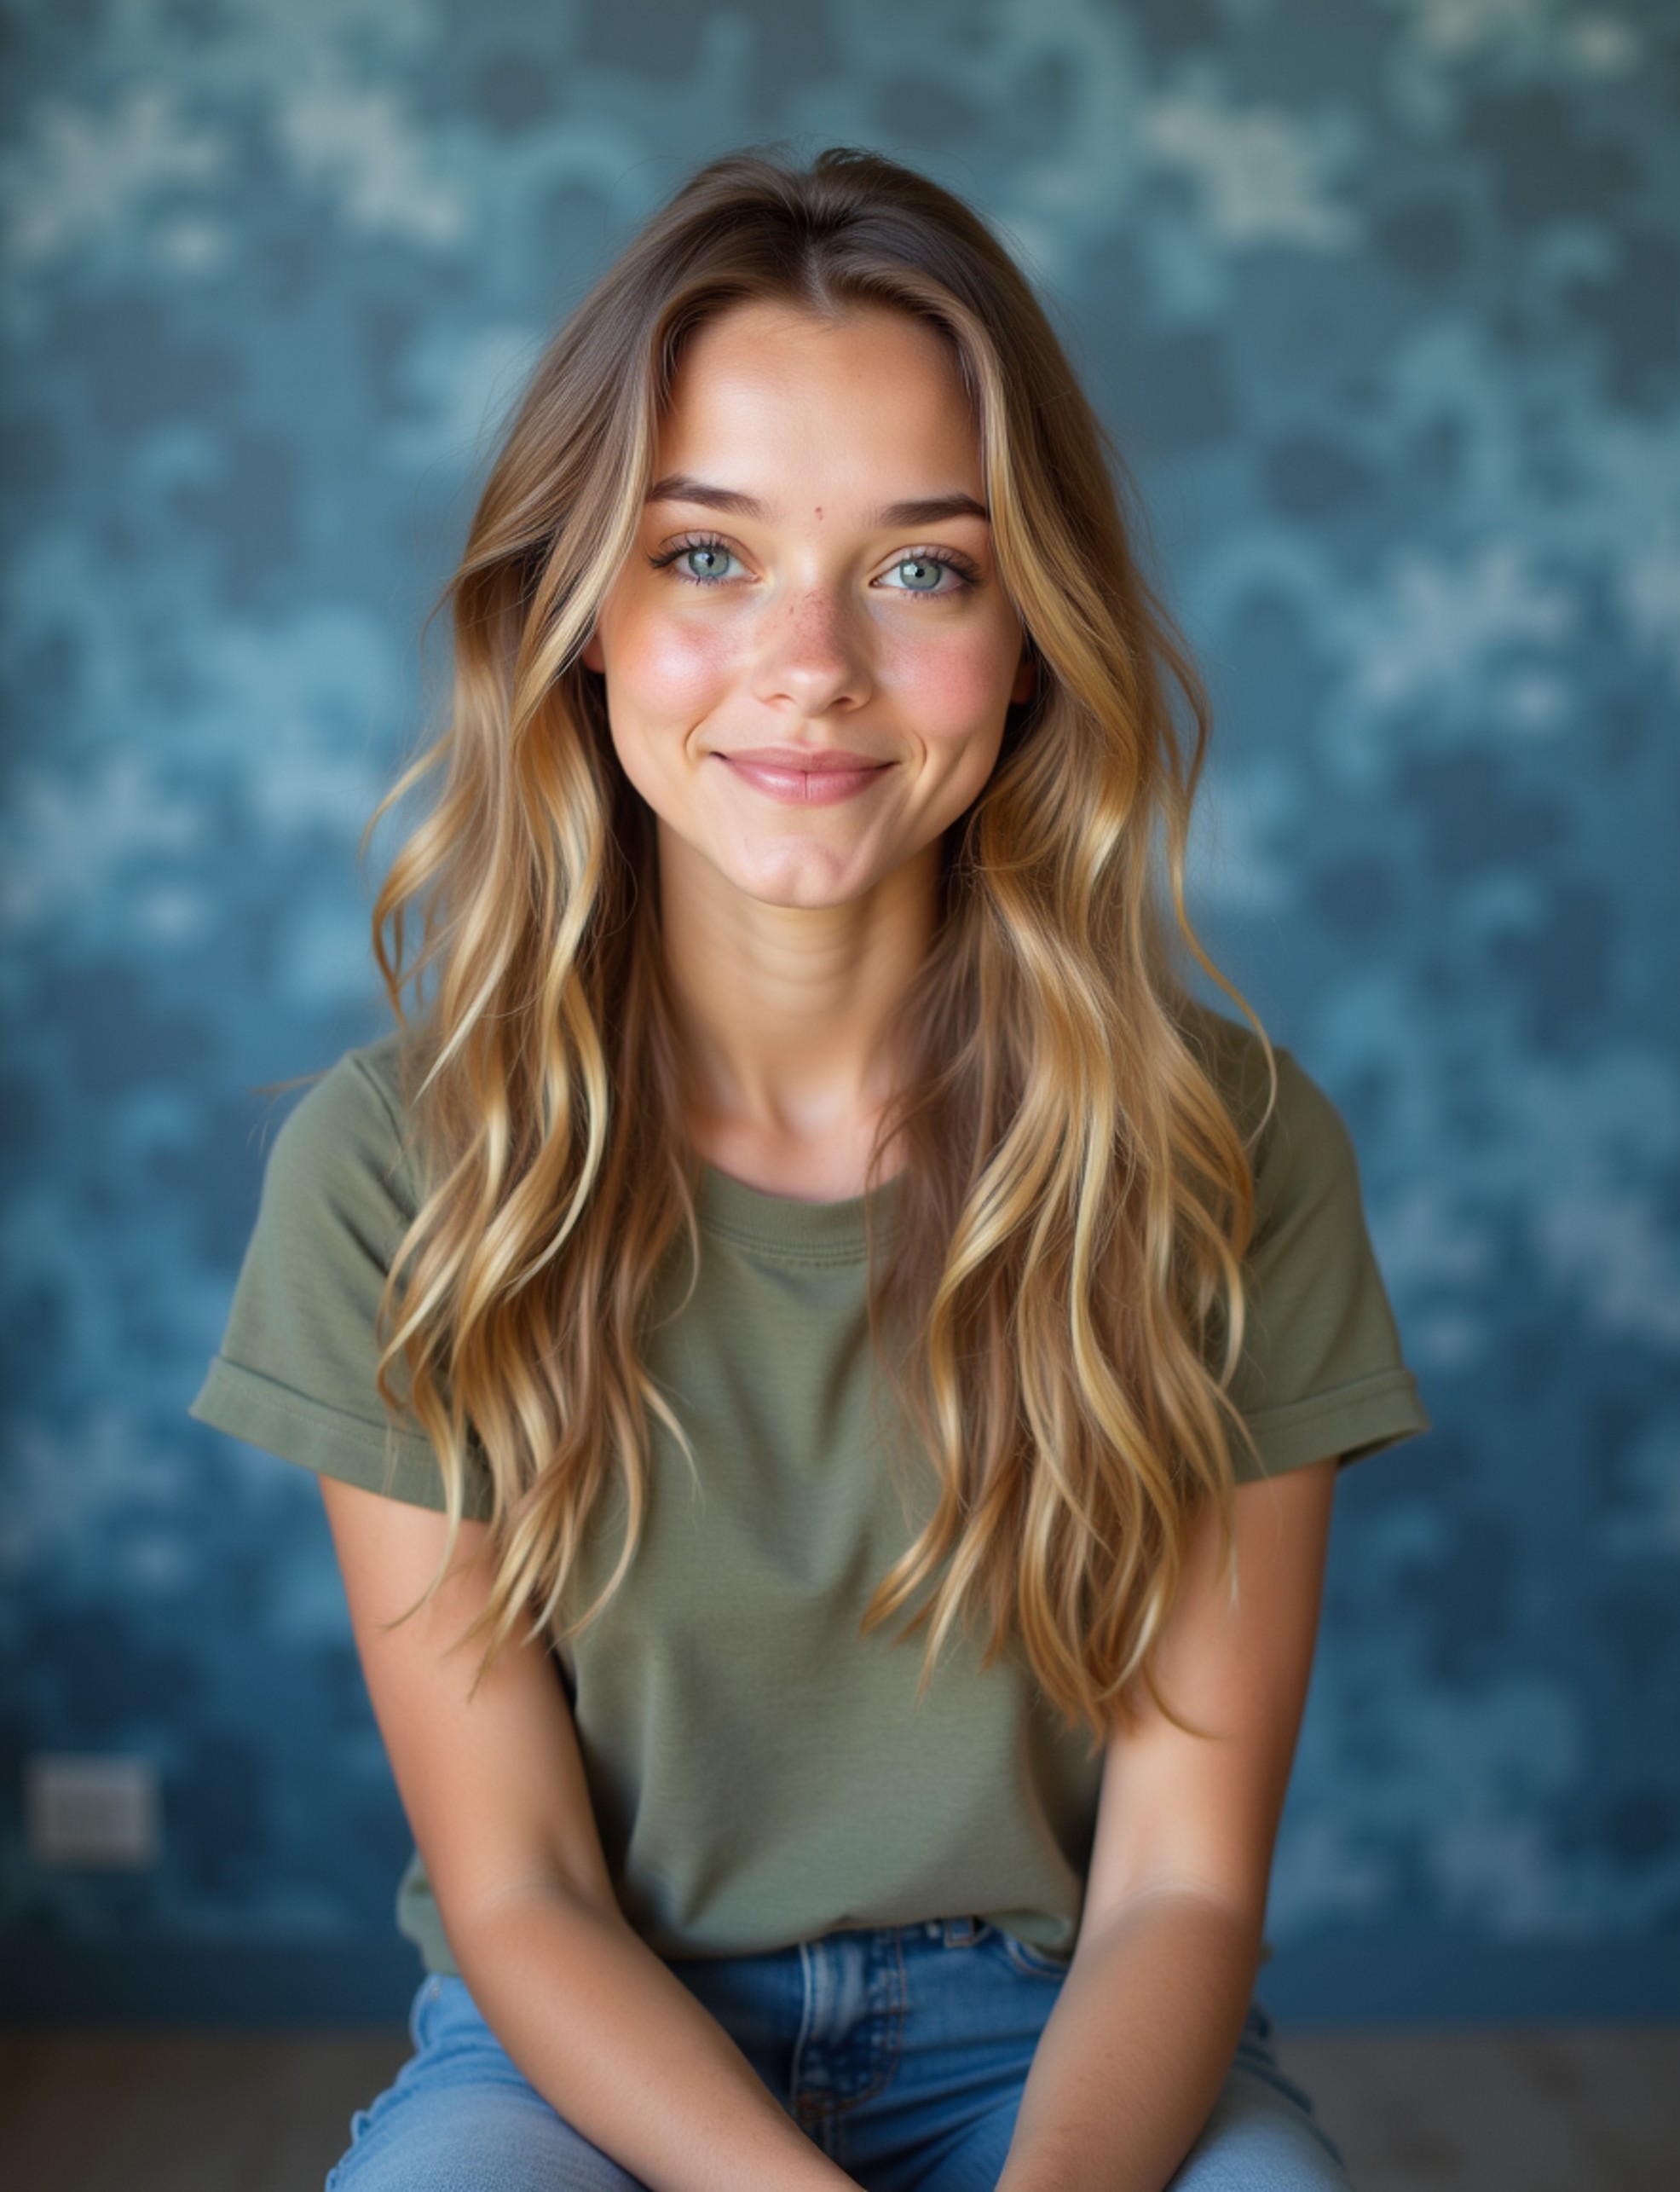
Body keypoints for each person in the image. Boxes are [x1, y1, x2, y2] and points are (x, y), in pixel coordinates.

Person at [192, 145, 1429, 2191]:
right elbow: (514, 1890)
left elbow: (1181, 1895)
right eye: (707, 555)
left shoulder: (1230, 1151)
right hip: (582, 2049)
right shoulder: (392, 1169)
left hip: (1067, 2041)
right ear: (580, 611)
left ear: (1033, 634)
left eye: (921, 567)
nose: (813, 660)